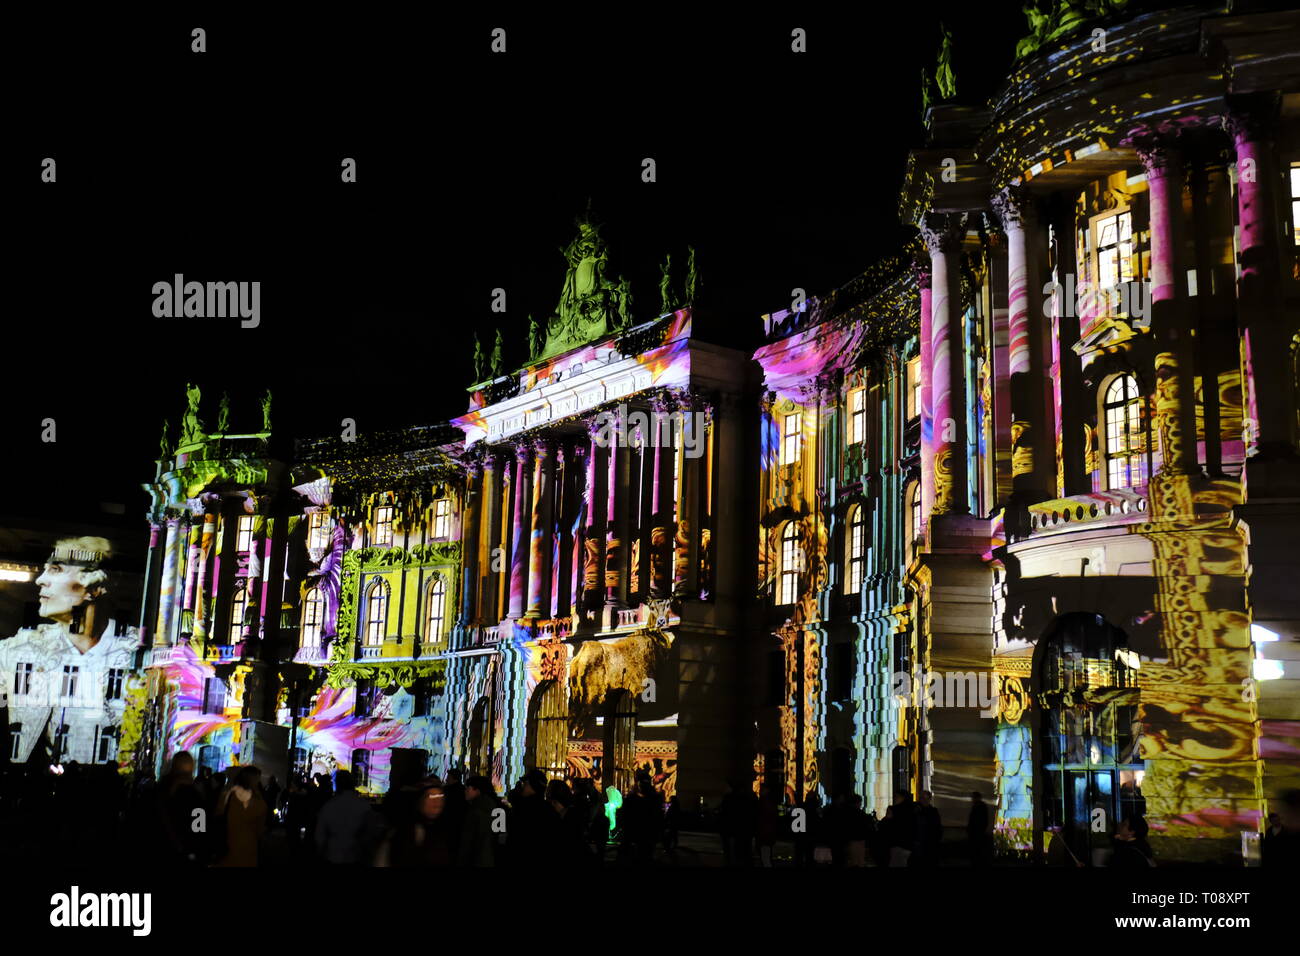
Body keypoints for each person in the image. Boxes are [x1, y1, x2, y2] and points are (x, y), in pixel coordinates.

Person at [315, 769, 382, 865]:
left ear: (337, 785)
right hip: (355, 857)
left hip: (333, 856)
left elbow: (319, 836)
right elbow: (370, 834)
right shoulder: (364, 806)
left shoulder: (329, 806)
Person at [382, 783, 453, 867]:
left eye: (440, 797)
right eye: (431, 796)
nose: (437, 801)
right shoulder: (406, 831)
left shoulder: (445, 829)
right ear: (421, 801)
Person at [158, 751, 207, 866]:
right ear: (191, 768)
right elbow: (199, 827)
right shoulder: (193, 795)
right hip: (185, 852)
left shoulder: (161, 789)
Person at [215, 766, 268, 866]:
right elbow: (260, 828)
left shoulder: (226, 796)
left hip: (227, 849)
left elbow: (218, 817)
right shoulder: (258, 802)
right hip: (248, 850)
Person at [458, 775, 500, 867]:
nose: (465, 791)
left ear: (477, 791)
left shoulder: (475, 811)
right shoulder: (496, 807)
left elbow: (467, 841)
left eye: (468, 788)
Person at [913, 790, 943, 866]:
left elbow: (937, 827)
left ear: (930, 799)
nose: (924, 801)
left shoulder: (933, 811)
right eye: (922, 798)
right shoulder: (915, 810)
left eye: (927, 798)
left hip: (930, 844)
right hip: (918, 844)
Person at [888, 791, 916, 867]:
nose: (894, 799)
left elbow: (887, 824)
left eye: (896, 797)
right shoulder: (913, 809)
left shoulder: (894, 809)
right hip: (908, 843)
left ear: (902, 798)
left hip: (897, 842)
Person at [967, 791, 991, 866]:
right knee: (976, 850)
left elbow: (981, 821)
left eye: (973, 797)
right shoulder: (977, 806)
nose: (972, 799)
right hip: (976, 832)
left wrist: (977, 830)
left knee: (977, 850)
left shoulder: (980, 807)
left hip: (977, 833)